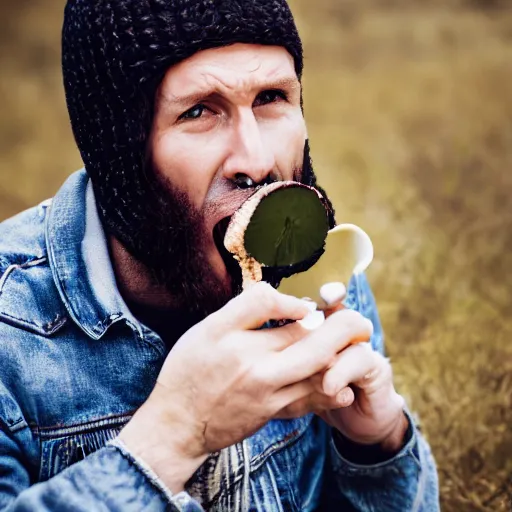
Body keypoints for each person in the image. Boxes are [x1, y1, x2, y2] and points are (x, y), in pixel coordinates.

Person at [0, 0, 440, 510]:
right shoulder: (12, 332)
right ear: (119, 152)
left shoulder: (325, 277)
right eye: (198, 111)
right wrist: (174, 435)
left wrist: (377, 445)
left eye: (272, 97)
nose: (256, 160)